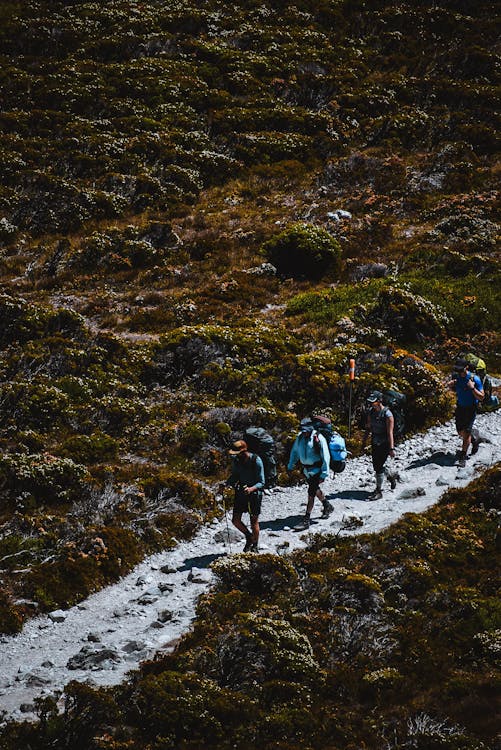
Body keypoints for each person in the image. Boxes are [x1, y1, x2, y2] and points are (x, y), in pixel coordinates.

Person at [287, 418, 333, 529]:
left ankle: (306, 519)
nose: (304, 432)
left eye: (306, 430)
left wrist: (324, 474)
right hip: (307, 471)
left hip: (317, 470)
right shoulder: (300, 437)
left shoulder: (318, 438)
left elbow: (326, 457)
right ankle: (327, 505)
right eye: (303, 430)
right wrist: (290, 465)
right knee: (315, 489)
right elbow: (294, 452)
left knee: (311, 494)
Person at [223, 439, 265, 552]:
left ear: (243, 451)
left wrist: (251, 489)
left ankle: (255, 545)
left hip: (254, 494)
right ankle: (249, 536)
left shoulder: (256, 460)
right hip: (241, 492)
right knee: (235, 520)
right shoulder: (237, 461)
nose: (235, 456)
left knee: (254, 521)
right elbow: (235, 475)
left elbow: (262, 482)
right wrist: (226, 484)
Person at [446, 358, 484, 467]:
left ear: (466, 368)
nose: (458, 372)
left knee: (466, 432)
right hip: (460, 407)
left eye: (460, 370)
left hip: (471, 408)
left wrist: (472, 389)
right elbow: (456, 390)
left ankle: (462, 457)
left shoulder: (475, 379)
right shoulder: (456, 377)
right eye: (457, 370)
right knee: (460, 431)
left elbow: (481, 397)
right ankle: (474, 438)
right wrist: (450, 386)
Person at [361, 391, 397, 500]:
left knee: (378, 467)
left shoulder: (388, 415)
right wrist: (364, 442)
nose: (372, 404)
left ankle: (378, 490)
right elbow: (368, 428)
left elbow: (390, 432)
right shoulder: (371, 412)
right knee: (376, 465)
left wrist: (391, 448)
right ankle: (390, 475)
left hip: (384, 443)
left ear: (379, 401)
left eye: (374, 402)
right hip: (375, 441)